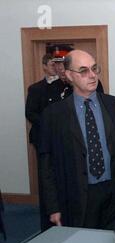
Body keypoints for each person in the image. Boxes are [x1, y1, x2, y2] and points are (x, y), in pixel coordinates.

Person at [39, 49, 115, 230]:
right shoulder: (53, 115)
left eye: (94, 68)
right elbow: (46, 166)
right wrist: (52, 207)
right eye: (84, 71)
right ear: (69, 75)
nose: (92, 75)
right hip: (77, 195)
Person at [25, 53, 65, 231]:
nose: (55, 67)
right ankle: (48, 216)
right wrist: (48, 122)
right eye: (52, 64)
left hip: (61, 139)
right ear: (44, 66)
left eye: (58, 64)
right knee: (46, 177)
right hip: (42, 138)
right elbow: (30, 113)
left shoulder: (63, 87)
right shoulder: (35, 88)